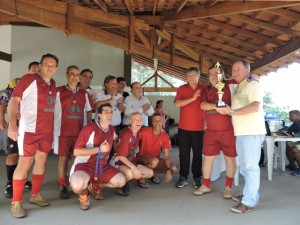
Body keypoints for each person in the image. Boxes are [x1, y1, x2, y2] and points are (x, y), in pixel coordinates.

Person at [7, 53, 59, 218]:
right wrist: (13, 125)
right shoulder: (29, 79)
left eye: (53, 65)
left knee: (41, 161)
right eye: (46, 64)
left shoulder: (53, 83)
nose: (49, 67)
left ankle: (35, 195)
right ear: (41, 66)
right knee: (24, 163)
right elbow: (14, 100)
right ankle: (16, 202)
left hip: (46, 131)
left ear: (56, 69)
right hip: (28, 130)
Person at [216, 59, 266, 214]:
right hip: (242, 132)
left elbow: (255, 106)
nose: (234, 71)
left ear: (247, 70)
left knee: (250, 168)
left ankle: (249, 202)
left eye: (238, 69)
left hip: (251, 132)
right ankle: (250, 195)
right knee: (245, 167)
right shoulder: (239, 87)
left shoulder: (253, 85)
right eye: (233, 69)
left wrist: (231, 112)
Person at [69, 103, 126, 210]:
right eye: (106, 111)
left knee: (121, 181)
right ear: (99, 115)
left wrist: (117, 144)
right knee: (77, 186)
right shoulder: (89, 129)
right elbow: (76, 152)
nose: (109, 114)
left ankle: (96, 186)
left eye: (111, 112)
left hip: (102, 166)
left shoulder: (112, 129)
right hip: (85, 165)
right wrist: (99, 149)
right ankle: (84, 195)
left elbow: (115, 139)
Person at [193, 66, 236, 198]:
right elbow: (202, 105)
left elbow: (245, 80)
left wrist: (253, 77)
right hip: (210, 131)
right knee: (207, 159)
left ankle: (228, 187)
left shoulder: (231, 85)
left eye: (215, 73)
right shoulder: (207, 89)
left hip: (228, 130)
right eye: (210, 73)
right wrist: (217, 106)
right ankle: (206, 185)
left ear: (222, 74)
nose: (212, 76)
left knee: (230, 159)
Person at [53, 65, 95, 199]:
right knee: (63, 158)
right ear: (66, 75)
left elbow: (89, 111)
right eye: (72, 74)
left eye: (77, 75)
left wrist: (88, 129)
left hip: (79, 133)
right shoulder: (58, 91)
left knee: (76, 159)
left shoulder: (84, 93)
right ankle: (62, 185)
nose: (74, 77)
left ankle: (74, 182)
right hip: (62, 132)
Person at [0, 61, 40, 198]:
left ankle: (23, 180)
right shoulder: (16, 83)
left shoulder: (40, 85)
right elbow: (3, 101)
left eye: (38, 69)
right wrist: (2, 119)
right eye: (33, 69)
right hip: (16, 123)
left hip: (31, 125)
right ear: (28, 70)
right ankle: (9, 183)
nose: (36, 71)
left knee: (26, 156)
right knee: (13, 153)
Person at [174, 67, 206, 189]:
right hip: (184, 127)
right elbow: (177, 104)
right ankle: (183, 176)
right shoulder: (182, 88)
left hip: (199, 128)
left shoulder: (204, 89)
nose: (190, 78)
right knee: (183, 154)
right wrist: (193, 98)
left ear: (198, 76)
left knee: (198, 154)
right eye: (188, 76)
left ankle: (197, 177)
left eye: (193, 75)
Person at [110, 112, 154, 196]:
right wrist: (133, 167)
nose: (138, 121)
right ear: (130, 121)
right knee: (130, 173)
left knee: (149, 173)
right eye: (135, 120)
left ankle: (126, 178)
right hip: (117, 162)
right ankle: (120, 184)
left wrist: (161, 130)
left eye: (140, 119)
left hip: (130, 161)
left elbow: (151, 131)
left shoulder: (138, 132)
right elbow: (120, 156)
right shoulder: (126, 134)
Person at [136, 113, 177, 186]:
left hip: (155, 160)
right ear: (152, 123)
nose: (157, 122)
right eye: (155, 120)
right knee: (154, 161)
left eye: (159, 120)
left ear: (162, 122)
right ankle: (141, 177)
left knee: (174, 168)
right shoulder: (144, 131)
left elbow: (167, 156)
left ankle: (153, 174)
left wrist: (168, 170)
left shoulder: (165, 136)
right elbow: (133, 136)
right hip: (141, 158)